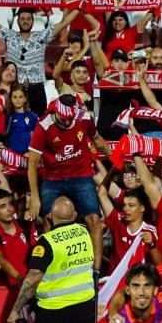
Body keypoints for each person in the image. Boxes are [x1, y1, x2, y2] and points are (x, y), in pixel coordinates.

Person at [26, 95, 112, 273]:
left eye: (69, 119)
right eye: (63, 119)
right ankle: (52, 270)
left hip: (80, 175)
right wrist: (34, 197)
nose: (66, 123)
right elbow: (32, 164)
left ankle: (94, 272)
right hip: (53, 179)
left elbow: (97, 139)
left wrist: (115, 159)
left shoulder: (85, 118)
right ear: (56, 112)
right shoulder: (43, 126)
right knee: (49, 222)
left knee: (94, 220)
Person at [0, 4, 84, 114]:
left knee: (39, 121)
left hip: (37, 88)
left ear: (32, 21)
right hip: (16, 90)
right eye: (22, 19)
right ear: (18, 21)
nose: (25, 21)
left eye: (28, 19)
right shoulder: (9, 35)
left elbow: (63, 23)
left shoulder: (42, 36)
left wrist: (79, 6)